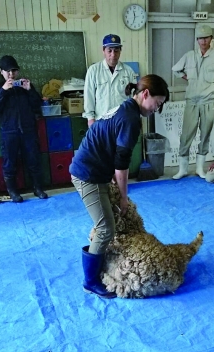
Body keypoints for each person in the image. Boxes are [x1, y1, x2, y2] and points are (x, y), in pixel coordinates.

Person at [69, 75, 169, 299]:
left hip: (94, 170)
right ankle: (90, 281)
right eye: (158, 103)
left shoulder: (126, 108)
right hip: (88, 174)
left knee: (107, 221)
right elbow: (121, 165)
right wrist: (124, 197)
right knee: (106, 228)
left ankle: (98, 262)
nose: (157, 109)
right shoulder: (131, 119)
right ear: (145, 94)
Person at [171, 24, 214, 179]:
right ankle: (183, 169)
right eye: (200, 38)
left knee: (206, 134)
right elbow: (176, 70)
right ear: (197, 40)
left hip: (210, 100)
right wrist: (187, 78)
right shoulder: (189, 56)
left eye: (206, 38)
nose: (203, 41)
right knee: (186, 134)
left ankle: (199, 168)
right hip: (192, 101)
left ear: (211, 39)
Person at [0, 55, 48, 203]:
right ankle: (13, 192)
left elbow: (37, 106)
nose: (11, 74)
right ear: (1, 71)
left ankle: (38, 188)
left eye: (14, 71)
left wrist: (29, 90)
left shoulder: (24, 86)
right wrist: (3, 90)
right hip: (9, 132)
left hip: (28, 130)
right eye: (7, 71)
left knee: (34, 159)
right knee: (10, 162)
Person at [83, 34, 137, 127]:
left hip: (123, 121)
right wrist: (90, 119)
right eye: (109, 51)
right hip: (101, 122)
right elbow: (89, 97)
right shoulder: (94, 71)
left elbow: (135, 98)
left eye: (116, 51)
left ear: (120, 51)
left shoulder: (128, 71)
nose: (113, 55)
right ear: (103, 50)